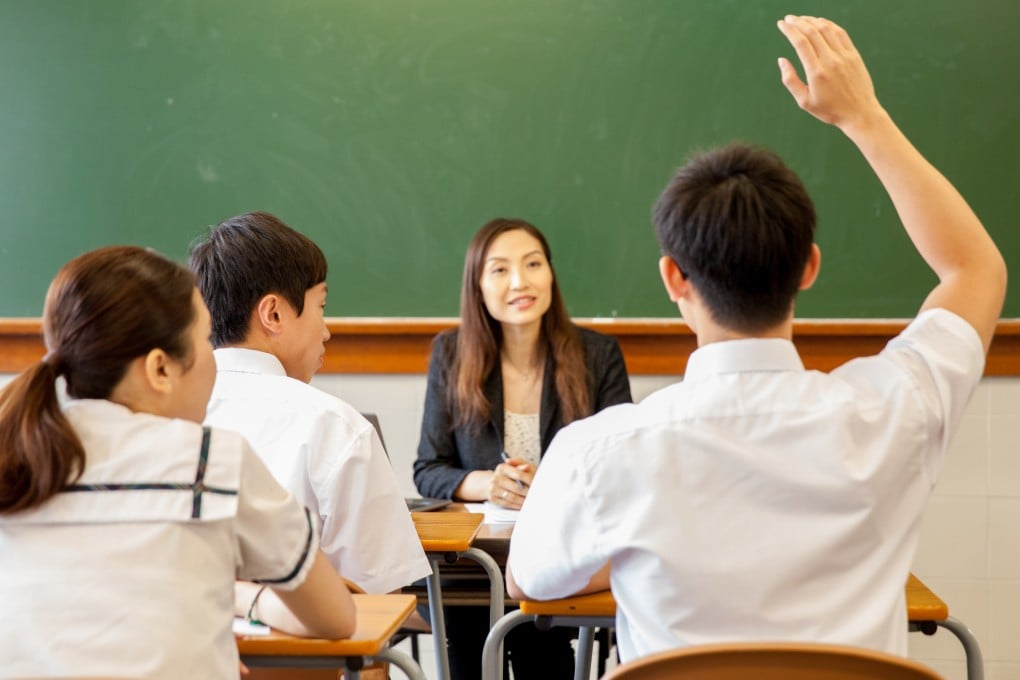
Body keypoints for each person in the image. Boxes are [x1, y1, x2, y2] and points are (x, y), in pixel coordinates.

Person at [506, 15, 1007, 665]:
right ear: (809, 267)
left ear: (673, 278)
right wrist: (864, 117)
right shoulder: (895, 408)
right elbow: (975, 269)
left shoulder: (600, 451)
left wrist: (634, 552)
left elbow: (529, 580)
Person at [0, 246, 355, 679]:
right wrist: (236, 595)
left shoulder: (17, 458)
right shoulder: (211, 462)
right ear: (160, 369)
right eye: (205, 340)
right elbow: (336, 617)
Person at [414, 217, 632, 678]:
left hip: (563, 556)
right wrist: (488, 485)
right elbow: (429, 468)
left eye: (533, 264)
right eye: (499, 270)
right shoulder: (451, 354)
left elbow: (621, 464)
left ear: (550, 273)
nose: (520, 281)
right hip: (472, 567)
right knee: (467, 646)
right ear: (477, 285)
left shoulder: (598, 355)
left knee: (544, 650)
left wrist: (552, 485)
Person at [189, 211, 431, 600]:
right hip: (302, 658)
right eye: (321, 307)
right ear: (273, 314)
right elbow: (380, 602)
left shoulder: (162, 419)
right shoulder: (336, 426)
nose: (327, 330)